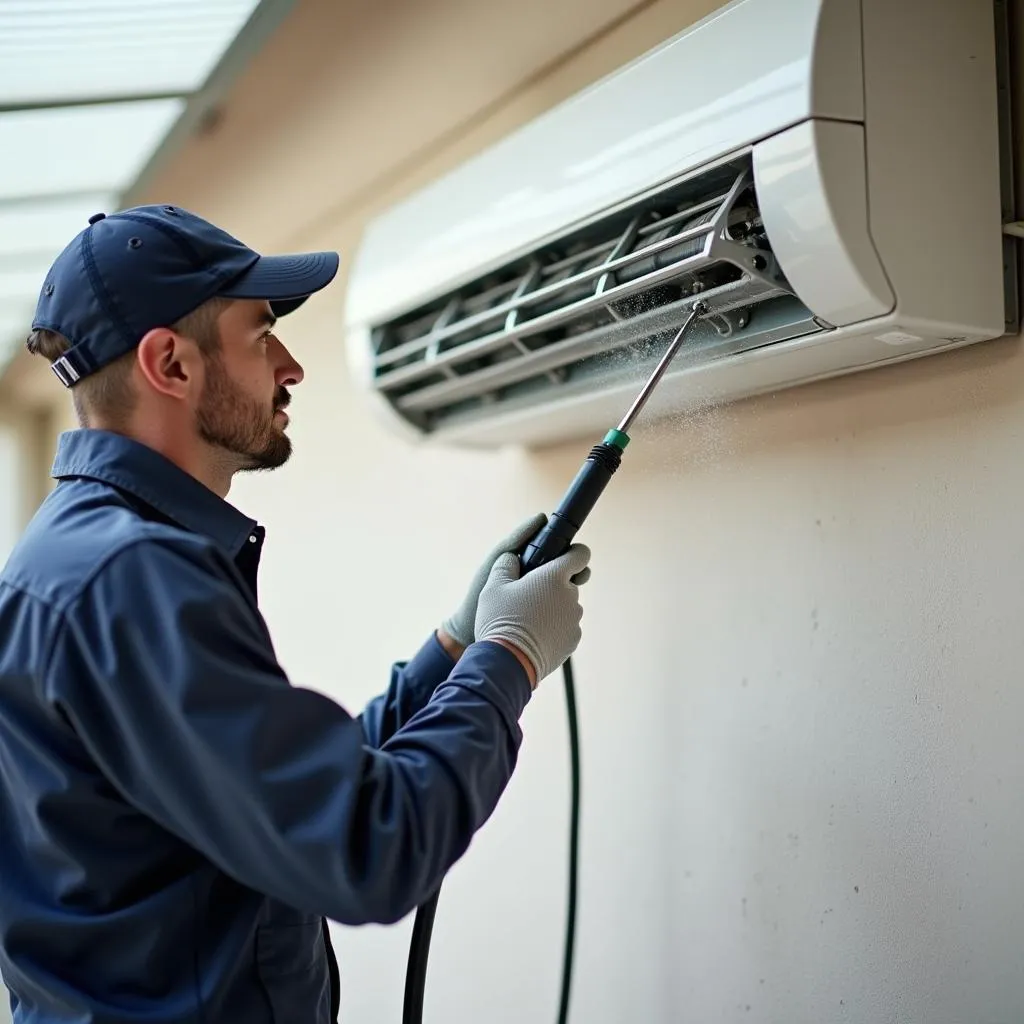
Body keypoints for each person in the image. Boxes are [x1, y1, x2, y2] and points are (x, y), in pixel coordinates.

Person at [0, 205, 591, 1023]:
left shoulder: (78, 557)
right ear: (169, 363)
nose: (291, 367)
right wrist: (511, 658)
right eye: (261, 333)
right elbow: (369, 848)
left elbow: (279, 796)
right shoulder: (135, 578)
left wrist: (456, 647)